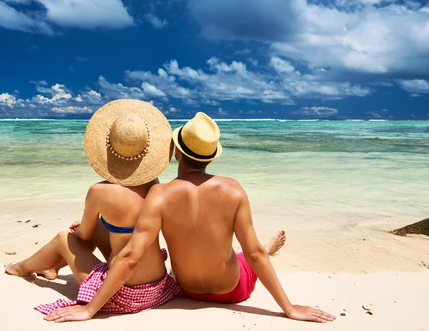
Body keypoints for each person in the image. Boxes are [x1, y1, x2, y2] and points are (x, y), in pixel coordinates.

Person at [44, 112, 336, 323]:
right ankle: (271, 248)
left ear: (176, 154)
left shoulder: (160, 195)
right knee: (249, 254)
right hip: (233, 291)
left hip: (184, 289)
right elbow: (255, 253)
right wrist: (289, 308)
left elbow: (132, 255)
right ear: (212, 156)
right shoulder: (233, 190)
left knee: (235, 251)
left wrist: (90, 309)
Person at [5, 99, 180, 316]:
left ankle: (21, 268)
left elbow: (83, 236)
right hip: (158, 287)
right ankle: (52, 268)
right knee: (103, 227)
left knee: (64, 237)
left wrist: (82, 230)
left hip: (125, 293)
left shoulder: (100, 192)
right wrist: (99, 226)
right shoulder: (154, 184)